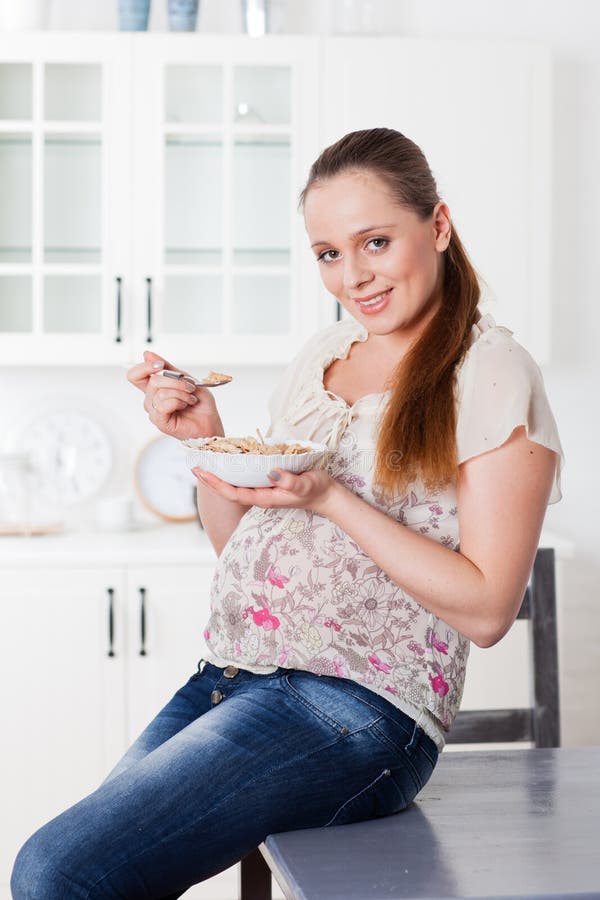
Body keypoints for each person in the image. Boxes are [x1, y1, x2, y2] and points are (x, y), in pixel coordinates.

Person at [11, 127, 564, 899]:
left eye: (376, 241)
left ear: (438, 227)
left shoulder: (491, 369)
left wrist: (331, 497)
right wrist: (208, 442)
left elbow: (487, 608)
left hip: (359, 710)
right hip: (231, 677)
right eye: (330, 254)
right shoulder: (322, 356)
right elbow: (244, 546)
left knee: (56, 873)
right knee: (70, 877)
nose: (354, 276)